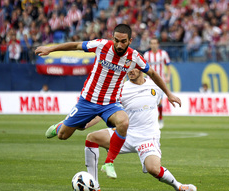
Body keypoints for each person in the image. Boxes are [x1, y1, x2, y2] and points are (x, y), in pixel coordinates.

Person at [35, 24, 181, 179]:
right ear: (112, 38)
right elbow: (76, 45)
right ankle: (60, 126)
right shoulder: (101, 45)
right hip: (88, 100)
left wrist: (169, 94)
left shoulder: (134, 57)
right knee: (65, 135)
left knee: (123, 122)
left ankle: (109, 162)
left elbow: (152, 72)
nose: (119, 45)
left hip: (111, 103)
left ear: (130, 40)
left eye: (123, 41)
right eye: (116, 40)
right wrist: (50, 49)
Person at [84, 68, 197, 191]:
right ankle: (94, 185)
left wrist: (169, 96)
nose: (130, 71)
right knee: (92, 138)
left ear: (141, 68)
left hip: (147, 137)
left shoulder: (155, 86)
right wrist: (85, 123)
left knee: (153, 169)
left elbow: (158, 102)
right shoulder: (121, 89)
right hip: (125, 134)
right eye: (127, 69)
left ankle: (178, 186)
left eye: (133, 67)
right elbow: (102, 112)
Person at [144, 37, 171, 129]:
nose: (154, 45)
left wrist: (168, 76)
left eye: (155, 43)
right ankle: (151, 120)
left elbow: (168, 65)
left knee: (159, 102)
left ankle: (160, 119)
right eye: (152, 43)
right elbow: (143, 67)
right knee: (150, 101)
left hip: (160, 81)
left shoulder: (163, 54)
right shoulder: (147, 55)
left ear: (158, 44)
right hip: (149, 81)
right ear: (150, 44)